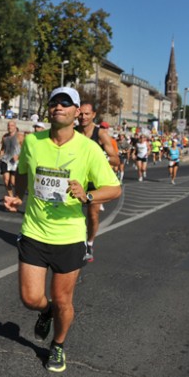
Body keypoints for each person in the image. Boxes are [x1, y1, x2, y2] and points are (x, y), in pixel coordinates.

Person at [4, 86, 121, 373]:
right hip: (34, 231)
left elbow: (114, 188)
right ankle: (45, 312)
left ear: (76, 111)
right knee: (31, 298)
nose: (58, 106)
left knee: (62, 300)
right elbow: (23, 173)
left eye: (66, 103)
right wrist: (17, 195)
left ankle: (58, 345)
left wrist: (87, 195)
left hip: (69, 236)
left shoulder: (89, 148)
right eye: (54, 102)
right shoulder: (33, 142)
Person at [75, 102, 119, 262]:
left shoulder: (100, 134)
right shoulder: (73, 132)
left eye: (87, 114)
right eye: (81, 114)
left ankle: (89, 243)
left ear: (93, 115)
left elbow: (116, 160)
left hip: (94, 181)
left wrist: (99, 158)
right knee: (71, 212)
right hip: (77, 178)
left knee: (92, 215)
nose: (83, 117)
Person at [0, 120, 24, 197]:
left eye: (12, 125)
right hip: (6, 160)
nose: (10, 127)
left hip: (15, 162)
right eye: (8, 125)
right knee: (6, 181)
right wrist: (1, 152)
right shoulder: (4, 137)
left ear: (15, 127)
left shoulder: (20, 136)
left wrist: (18, 156)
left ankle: (18, 194)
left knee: (13, 182)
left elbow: (25, 150)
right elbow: (3, 148)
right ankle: (11, 198)